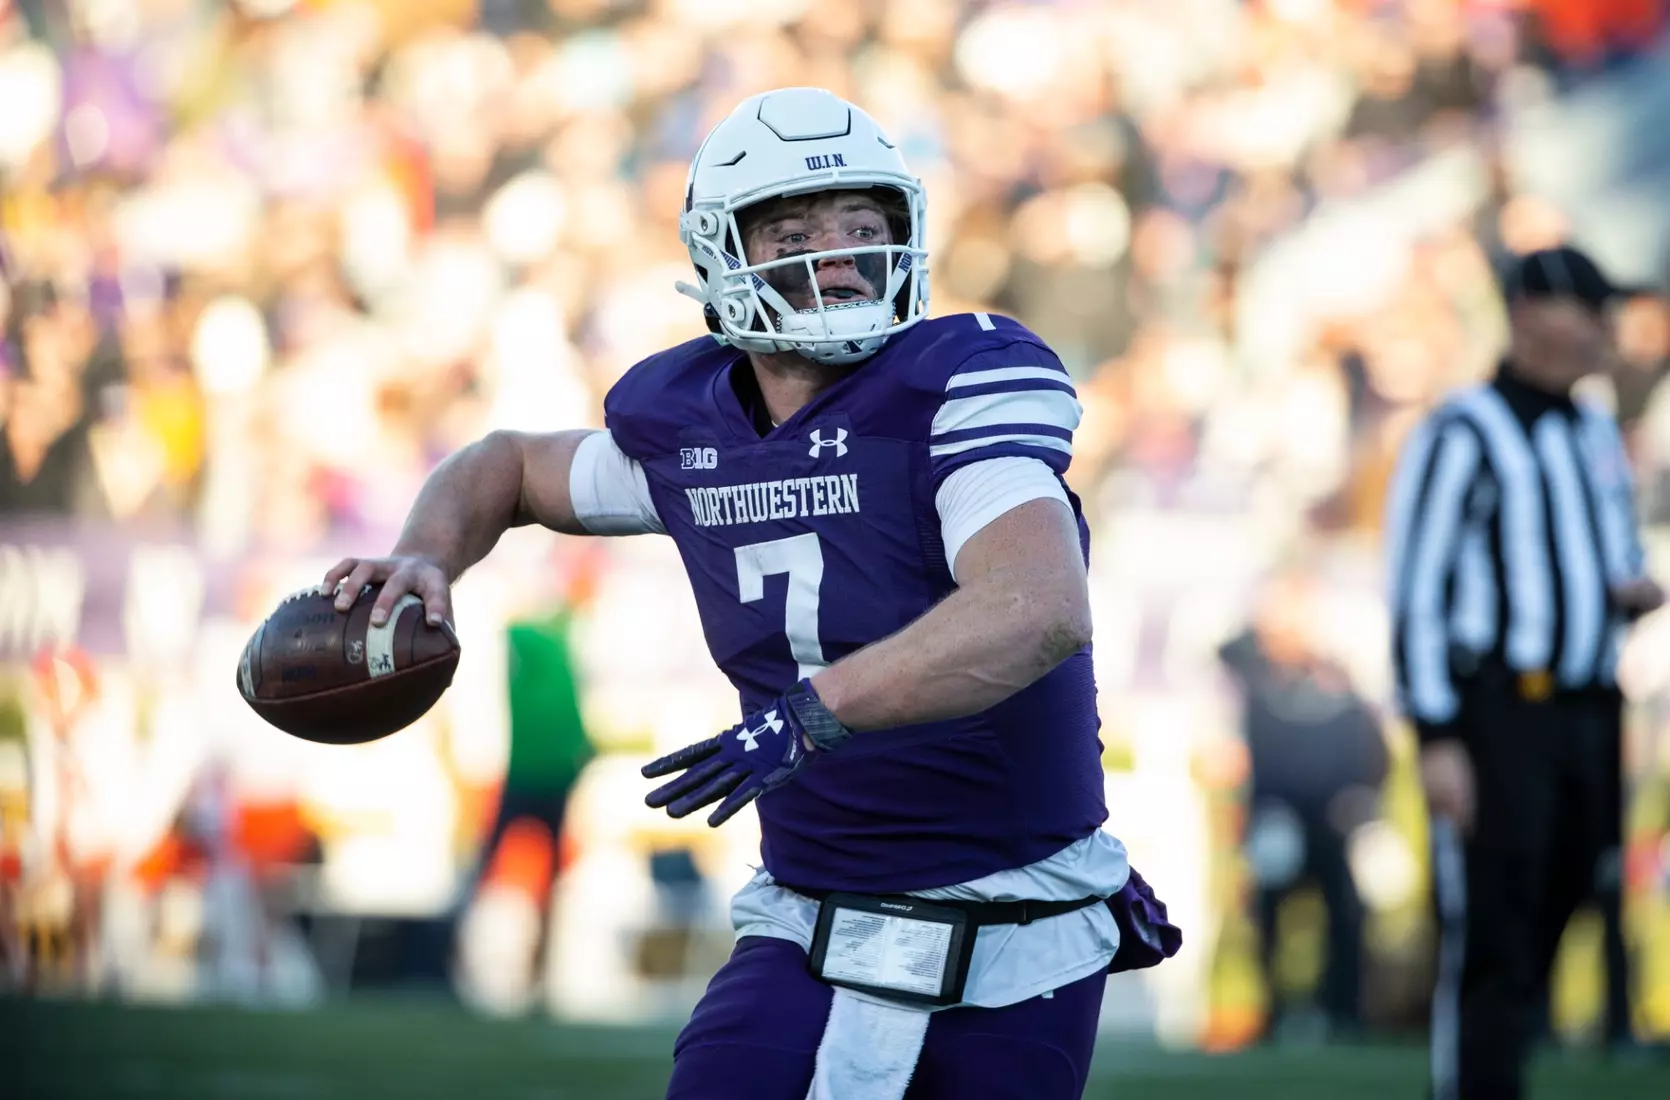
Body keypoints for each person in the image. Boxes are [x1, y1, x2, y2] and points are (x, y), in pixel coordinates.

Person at [322, 87, 1179, 1100]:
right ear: (720, 253)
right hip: (808, 908)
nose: (840, 255)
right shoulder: (693, 426)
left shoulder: (952, 390)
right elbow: (508, 464)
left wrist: (809, 716)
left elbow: (1037, 607)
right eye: (796, 233)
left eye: (861, 225)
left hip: (1013, 919)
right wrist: (427, 553)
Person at [1386, 245, 1661, 1100]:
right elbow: (1416, 590)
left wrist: (1625, 590)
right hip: (1501, 710)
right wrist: (1437, 734)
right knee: (1492, 923)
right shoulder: (1463, 429)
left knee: (1571, 888)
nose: (1605, 330)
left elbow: (1609, 554)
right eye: (1590, 309)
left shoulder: (1592, 428)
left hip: (1589, 707)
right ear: (1531, 312)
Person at [1219, 570, 1387, 1042]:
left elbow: (1371, 750)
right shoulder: (1260, 674)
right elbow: (1227, 653)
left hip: (1334, 817)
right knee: (1269, 900)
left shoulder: (1338, 680)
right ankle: (1272, 1008)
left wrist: (1360, 797)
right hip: (1279, 815)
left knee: (1349, 907)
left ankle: (1343, 1009)